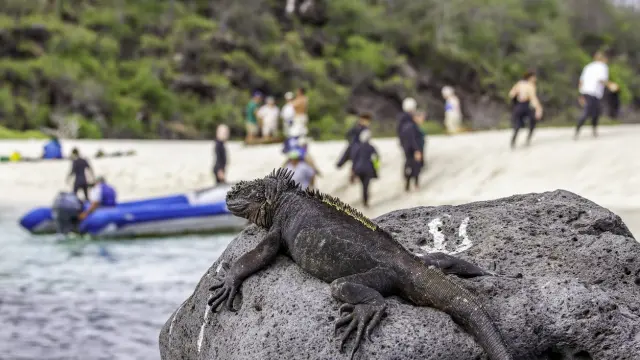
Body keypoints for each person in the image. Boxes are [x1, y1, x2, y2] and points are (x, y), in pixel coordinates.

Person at [575, 51, 617, 139]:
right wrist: (611, 85)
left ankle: (591, 130)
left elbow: (581, 81)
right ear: (603, 59)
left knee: (595, 111)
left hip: (585, 91)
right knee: (589, 112)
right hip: (594, 92)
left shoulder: (588, 66)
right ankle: (579, 130)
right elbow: (602, 80)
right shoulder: (603, 67)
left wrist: (580, 94)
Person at [508, 69, 543, 149]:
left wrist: (515, 102)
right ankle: (528, 139)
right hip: (526, 105)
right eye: (534, 77)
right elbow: (533, 98)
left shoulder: (519, 84)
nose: (535, 79)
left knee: (518, 123)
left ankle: (513, 140)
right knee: (533, 121)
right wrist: (538, 109)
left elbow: (511, 94)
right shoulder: (531, 86)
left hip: (518, 105)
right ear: (530, 77)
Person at [336, 112, 373, 183]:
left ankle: (352, 171)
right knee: (355, 156)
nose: (366, 122)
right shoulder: (357, 128)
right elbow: (348, 134)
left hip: (360, 147)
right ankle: (352, 172)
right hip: (355, 147)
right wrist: (352, 142)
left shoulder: (366, 128)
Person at [352, 129, 379, 207]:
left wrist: (353, 170)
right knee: (366, 186)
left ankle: (364, 200)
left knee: (362, 185)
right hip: (368, 169)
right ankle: (365, 201)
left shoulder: (357, 147)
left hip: (359, 169)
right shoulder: (371, 147)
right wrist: (376, 168)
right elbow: (376, 157)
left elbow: (354, 159)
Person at [400, 110, 426, 192]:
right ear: (416, 117)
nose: (422, 120)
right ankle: (413, 184)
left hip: (411, 150)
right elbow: (412, 140)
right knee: (414, 167)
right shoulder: (411, 126)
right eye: (421, 118)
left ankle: (410, 184)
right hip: (412, 151)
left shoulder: (411, 126)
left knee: (412, 167)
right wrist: (417, 151)